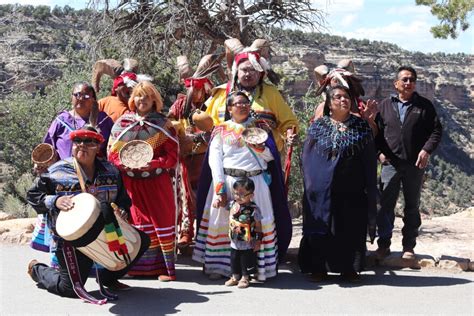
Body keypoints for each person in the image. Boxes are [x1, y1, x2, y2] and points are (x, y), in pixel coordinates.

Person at [26, 126, 150, 300]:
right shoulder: (56, 171)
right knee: (69, 289)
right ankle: (38, 270)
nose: (82, 145)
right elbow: (33, 196)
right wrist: (56, 201)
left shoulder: (111, 171)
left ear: (98, 146)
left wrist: (122, 211)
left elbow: (123, 200)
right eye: (77, 141)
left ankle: (109, 277)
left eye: (88, 141)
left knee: (140, 242)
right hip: (72, 239)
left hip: (107, 232)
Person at [193, 91, 292, 281]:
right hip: (229, 183)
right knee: (224, 224)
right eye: (238, 103)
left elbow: (271, 158)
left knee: (255, 223)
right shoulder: (220, 130)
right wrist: (219, 189)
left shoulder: (261, 128)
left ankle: (256, 269)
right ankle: (221, 267)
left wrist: (260, 148)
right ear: (229, 108)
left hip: (256, 185)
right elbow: (215, 160)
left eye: (246, 103)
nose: (243, 106)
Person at [298, 85, 377, 282]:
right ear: (329, 104)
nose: (344, 100)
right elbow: (307, 157)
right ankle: (318, 268)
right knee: (321, 225)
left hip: (352, 187)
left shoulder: (361, 127)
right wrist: (311, 184)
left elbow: (369, 159)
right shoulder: (318, 127)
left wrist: (369, 184)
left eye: (347, 97)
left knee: (349, 225)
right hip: (321, 188)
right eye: (338, 97)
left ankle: (349, 268)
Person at [108, 81, 179, 281]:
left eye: (147, 96)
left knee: (161, 221)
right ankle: (138, 268)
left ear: (154, 100)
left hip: (157, 182)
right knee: (137, 222)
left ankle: (166, 270)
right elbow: (112, 153)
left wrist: (154, 163)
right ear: (133, 99)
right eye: (139, 95)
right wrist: (125, 164)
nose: (143, 100)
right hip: (132, 184)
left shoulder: (164, 125)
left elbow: (173, 155)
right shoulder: (123, 123)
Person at [375, 66, 442, 260]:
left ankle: (408, 247)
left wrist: (426, 150)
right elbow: (376, 132)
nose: (408, 82)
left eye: (412, 79)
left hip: (414, 165)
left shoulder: (425, 105)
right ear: (396, 84)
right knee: (386, 206)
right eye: (404, 79)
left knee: (412, 206)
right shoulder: (385, 105)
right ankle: (384, 245)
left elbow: (436, 131)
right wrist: (379, 153)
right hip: (390, 164)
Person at [205, 39, 298, 153]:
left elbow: (288, 121)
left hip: (265, 157)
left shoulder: (270, 93)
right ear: (236, 72)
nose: (248, 74)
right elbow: (208, 124)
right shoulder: (222, 93)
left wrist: (289, 133)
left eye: (253, 70)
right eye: (244, 70)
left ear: (260, 73)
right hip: (228, 158)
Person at [168, 54, 222, 248]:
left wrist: (198, 137)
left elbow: (218, 126)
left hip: (206, 158)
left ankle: (205, 234)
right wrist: (179, 134)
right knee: (185, 196)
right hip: (185, 158)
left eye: (198, 88)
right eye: (192, 88)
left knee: (206, 196)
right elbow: (169, 122)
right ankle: (185, 232)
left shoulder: (214, 103)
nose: (195, 92)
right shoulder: (181, 104)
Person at [44, 82, 113, 161]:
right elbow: (47, 148)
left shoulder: (103, 120)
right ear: (71, 97)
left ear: (93, 100)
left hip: (96, 170)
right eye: (77, 95)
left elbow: (113, 147)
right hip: (66, 171)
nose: (81, 99)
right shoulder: (62, 121)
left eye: (86, 96)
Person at [225, 178, 263, 289]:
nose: (238, 197)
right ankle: (235, 276)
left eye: (242, 194)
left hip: (247, 241)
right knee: (234, 258)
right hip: (234, 239)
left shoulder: (254, 210)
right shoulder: (232, 204)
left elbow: (258, 226)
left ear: (251, 195)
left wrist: (258, 240)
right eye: (235, 193)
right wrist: (218, 201)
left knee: (245, 260)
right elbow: (224, 205)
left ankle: (245, 277)